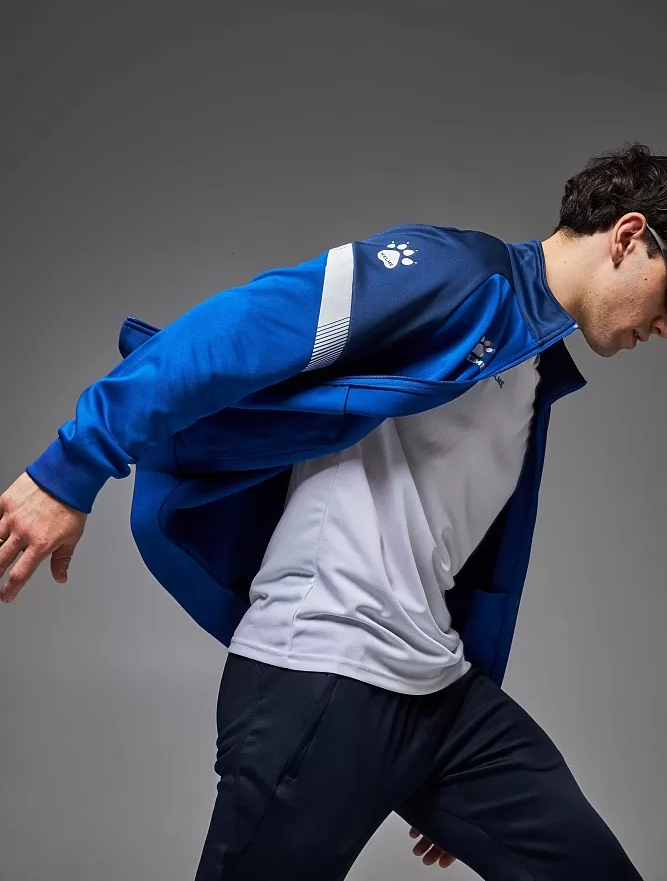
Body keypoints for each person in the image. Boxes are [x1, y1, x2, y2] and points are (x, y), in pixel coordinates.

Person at [0, 141, 663, 880]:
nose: (665, 327)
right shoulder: (454, 272)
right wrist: (72, 468)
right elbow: (243, 328)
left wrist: (452, 790)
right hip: (320, 672)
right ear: (628, 236)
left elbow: (462, 555)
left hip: (437, 693)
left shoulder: (530, 363)